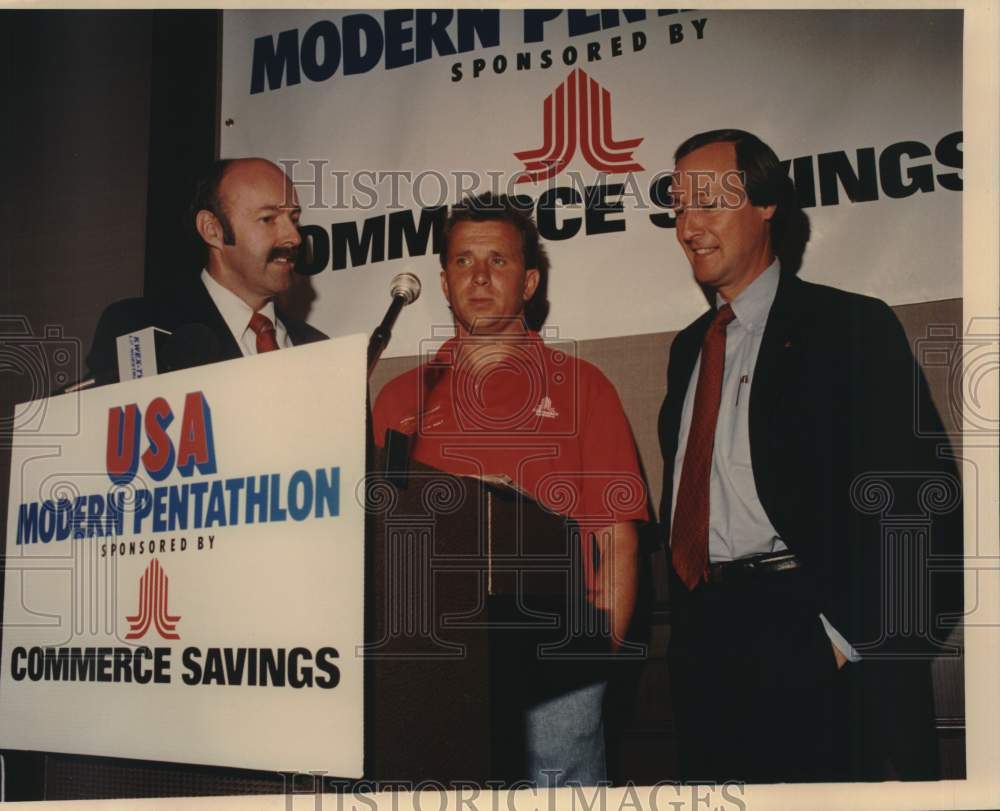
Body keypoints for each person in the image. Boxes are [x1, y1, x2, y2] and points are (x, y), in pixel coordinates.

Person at [658, 129, 962, 783]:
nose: (687, 226)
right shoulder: (688, 350)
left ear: (766, 202)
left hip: (809, 628)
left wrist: (847, 640)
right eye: (679, 206)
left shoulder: (849, 326)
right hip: (704, 640)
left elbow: (919, 502)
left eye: (708, 201)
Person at [373, 194, 648, 786]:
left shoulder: (582, 386)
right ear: (443, 282)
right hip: (436, 665)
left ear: (528, 282)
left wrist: (594, 665)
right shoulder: (399, 399)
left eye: (497, 261)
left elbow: (616, 539)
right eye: (463, 261)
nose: (478, 276)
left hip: (555, 664)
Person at [86, 158, 325, 377]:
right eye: (268, 219)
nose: (294, 237)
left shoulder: (320, 349)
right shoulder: (139, 328)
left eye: (294, 219)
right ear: (212, 230)